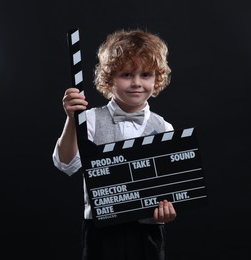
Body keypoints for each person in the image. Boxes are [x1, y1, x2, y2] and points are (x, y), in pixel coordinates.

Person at [52, 28, 177, 260]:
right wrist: (72, 120)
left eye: (146, 75)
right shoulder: (88, 119)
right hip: (101, 231)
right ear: (109, 77)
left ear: (157, 78)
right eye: (126, 74)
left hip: (147, 232)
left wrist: (165, 211)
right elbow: (65, 164)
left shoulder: (165, 129)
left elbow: (166, 191)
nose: (136, 83)